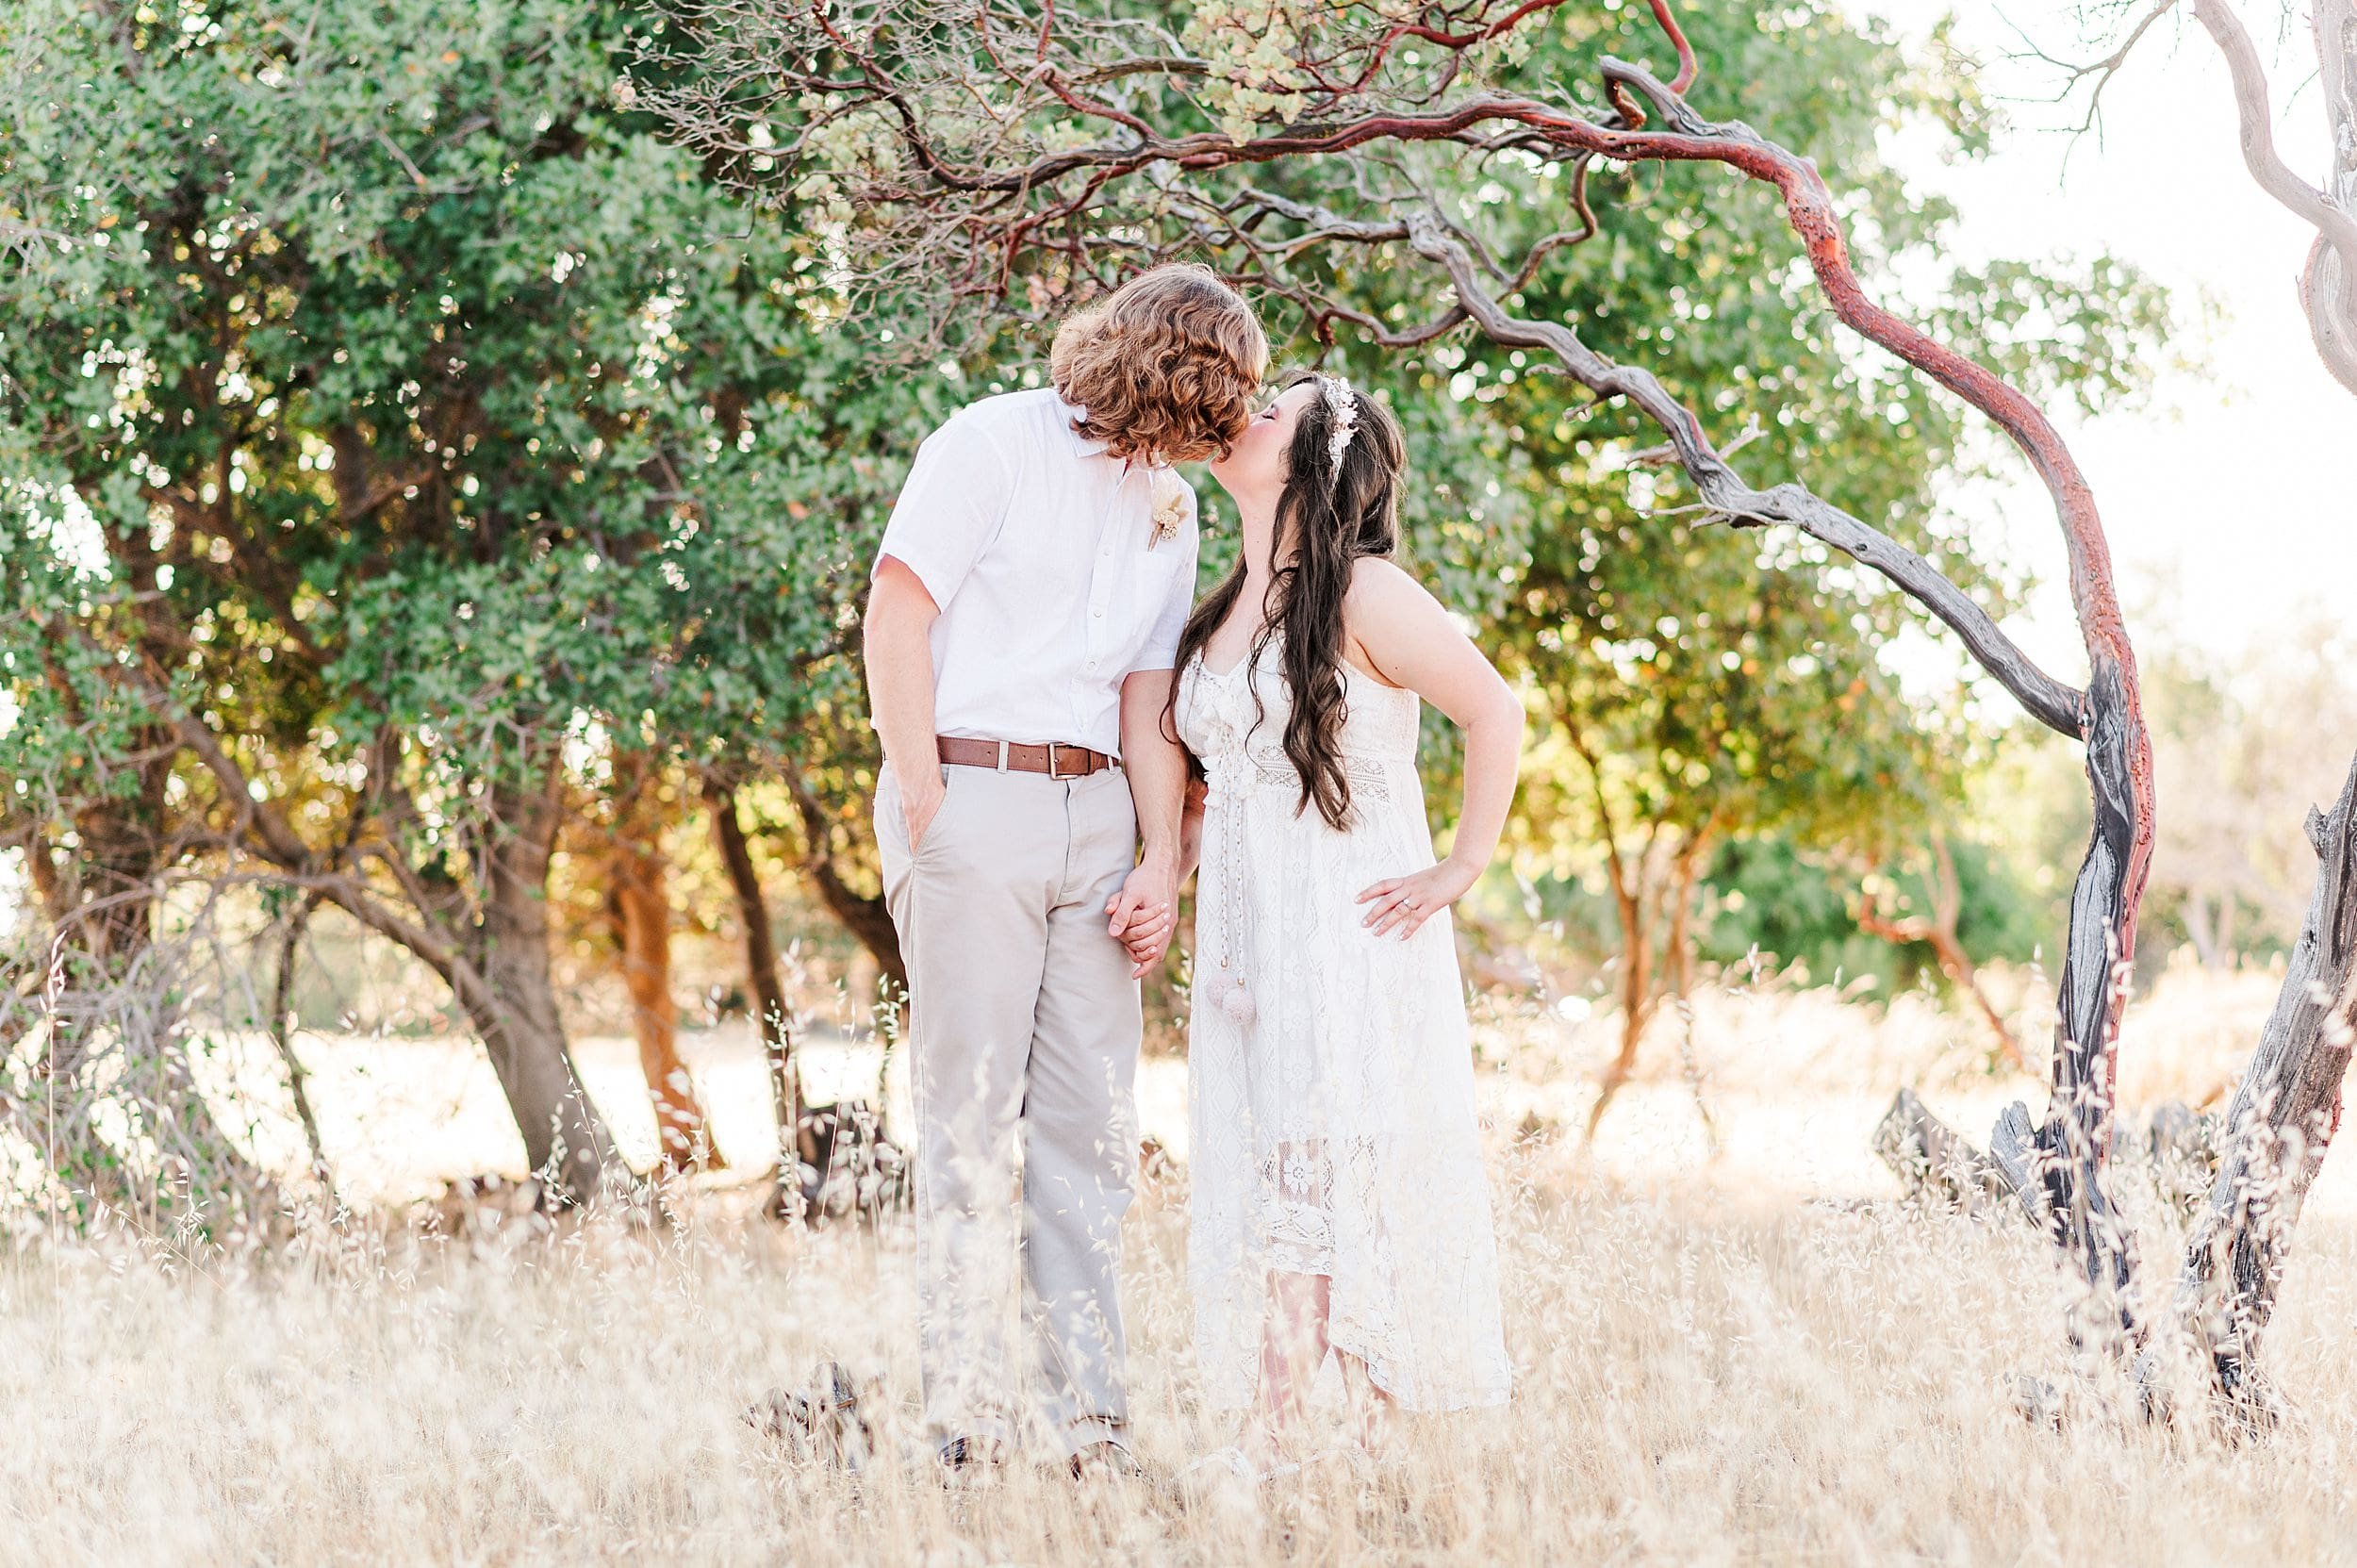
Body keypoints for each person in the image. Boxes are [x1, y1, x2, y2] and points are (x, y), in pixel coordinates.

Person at [861, 264, 1268, 1479]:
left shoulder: (1173, 507)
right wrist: (922, 788)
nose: (1237, 419)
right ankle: (967, 1424)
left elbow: (1148, 692)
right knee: (971, 1127)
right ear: (1173, 376)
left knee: (1092, 1133)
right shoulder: (987, 442)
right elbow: (895, 610)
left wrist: (1158, 858)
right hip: (968, 795)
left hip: (1098, 812)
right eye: (1225, 391)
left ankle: (1090, 1425)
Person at [1169, 371, 1521, 1477]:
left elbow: (1493, 707)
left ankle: (1280, 1442)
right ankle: (1342, 1449)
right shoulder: (1223, 600)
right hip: (1248, 940)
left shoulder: (1366, 593)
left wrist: (1460, 864)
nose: (1243, 408)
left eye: (1271, 405)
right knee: (1280, 1167)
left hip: (1344, 921)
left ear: (1313, 456)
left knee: (1319, 1173)